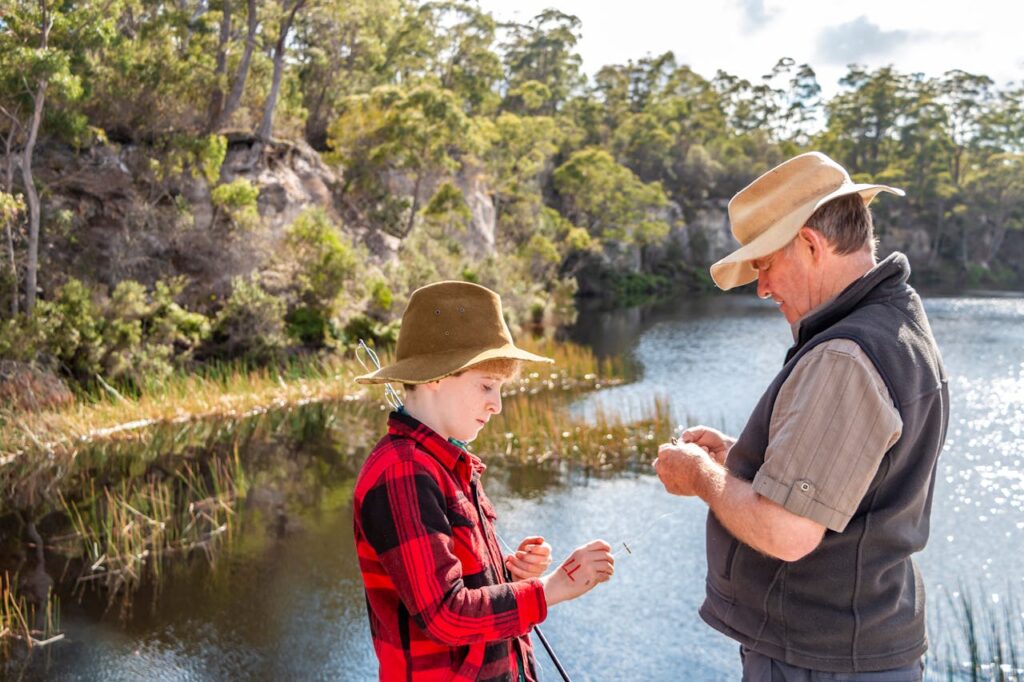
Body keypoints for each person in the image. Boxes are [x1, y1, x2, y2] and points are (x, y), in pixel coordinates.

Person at [654, 151, 948, 681]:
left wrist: (700, 475)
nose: (763, 287)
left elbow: (787, 531)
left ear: (810, 245)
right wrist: (741, 459)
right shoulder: (898, 320)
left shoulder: (844, 356)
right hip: (857, 651)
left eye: (765, 264)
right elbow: (858, 474)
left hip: (822, 662)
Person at [353, 280, 615, 681]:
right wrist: (552, 588)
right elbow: (446, 614)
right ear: (435, 377)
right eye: (486, 386)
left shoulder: (447, 463)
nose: (497, 405)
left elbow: (459, 588)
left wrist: (509, 575)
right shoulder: (402, 471)